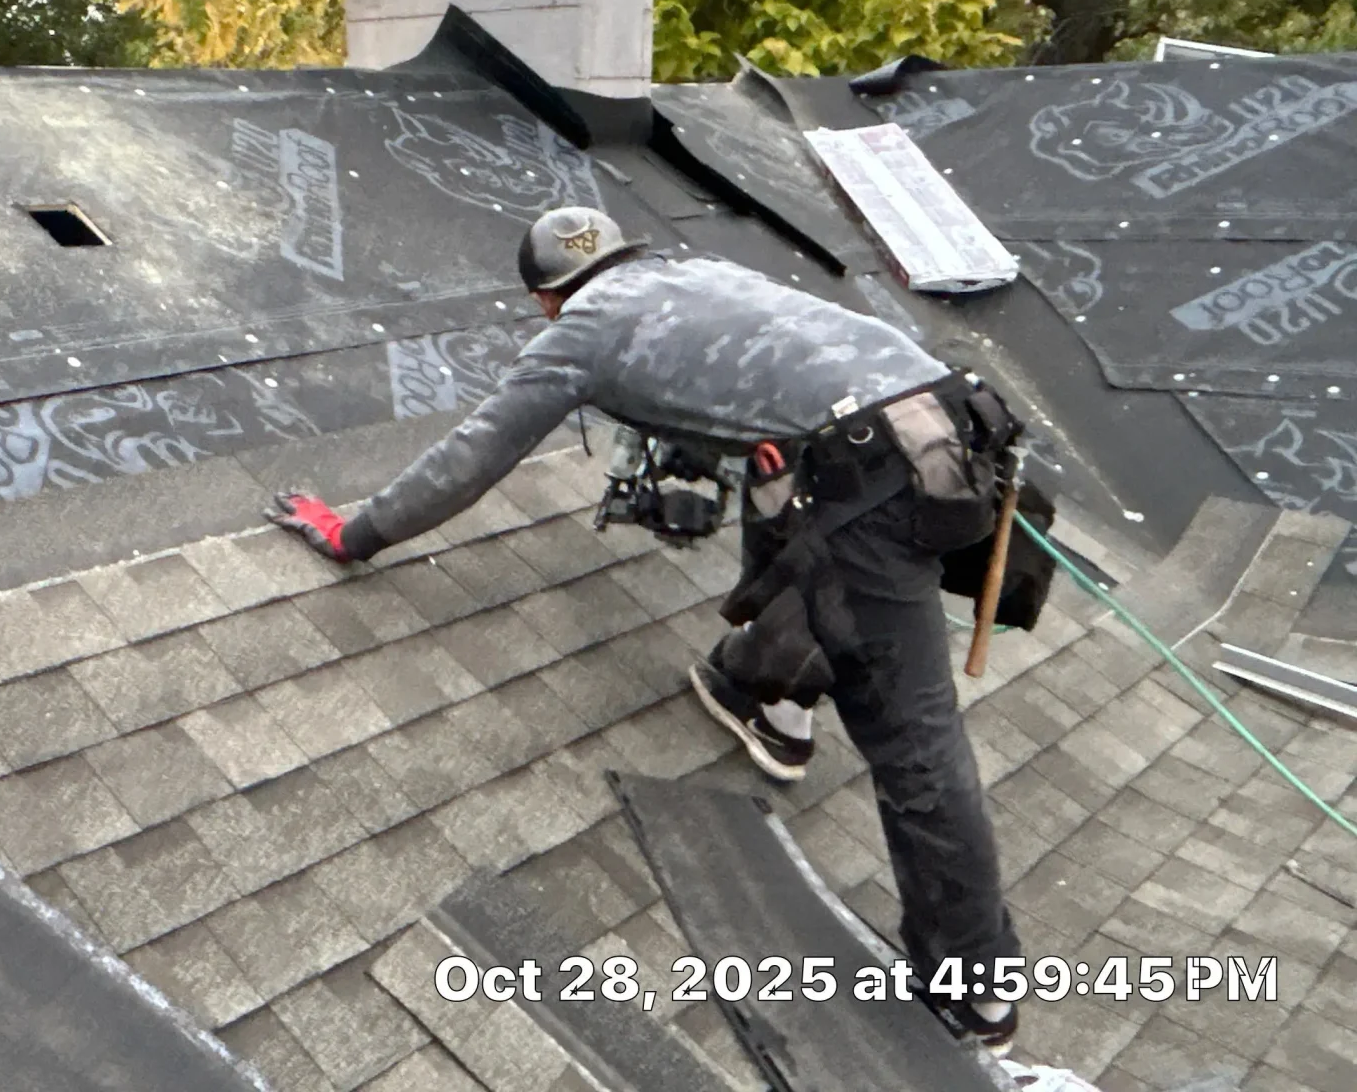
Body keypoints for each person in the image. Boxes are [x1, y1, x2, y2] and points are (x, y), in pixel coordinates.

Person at [268, 205, 1028, 1056]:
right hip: (952, 421)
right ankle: (767, 696)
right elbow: (766, 393)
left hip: (875, 465)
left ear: (546, 299)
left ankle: (974, 992)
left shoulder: (580, 333)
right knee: (784, 484)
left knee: (915, 740)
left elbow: (471, 456)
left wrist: (355, 533)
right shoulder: (696, 275)